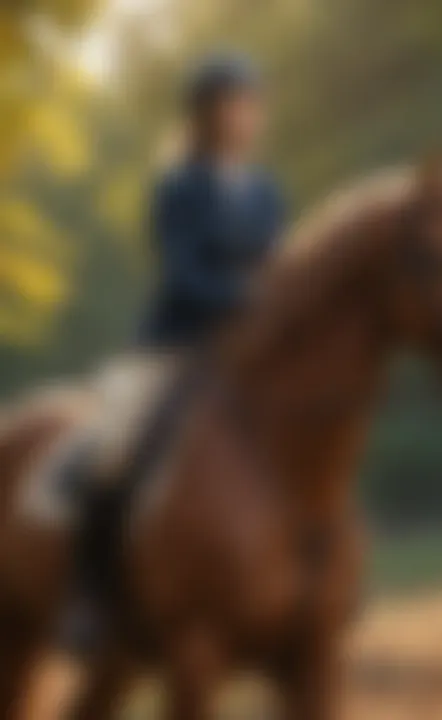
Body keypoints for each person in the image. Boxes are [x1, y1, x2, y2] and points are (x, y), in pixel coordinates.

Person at [61, 53, 286, 656]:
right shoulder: (176, 188)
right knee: (106, 454)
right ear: (205, 118)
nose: (243, 117)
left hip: (246, 356)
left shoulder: (266, 192)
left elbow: (280, 267)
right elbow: (183, 276)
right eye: (231, 106)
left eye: (249, 105)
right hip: (173, 347)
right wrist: (251, 299)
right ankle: (89, 597)